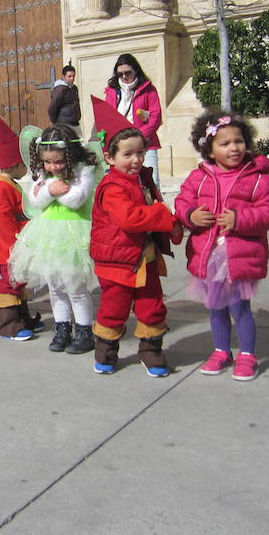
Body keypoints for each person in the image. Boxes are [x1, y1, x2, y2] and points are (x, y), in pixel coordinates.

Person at [175, 111, 269, 381]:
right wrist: (191, 216)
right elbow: (181, 202)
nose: (233, 148)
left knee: (239, 307)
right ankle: (221, 350)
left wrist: (240, 219)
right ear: (209, 150)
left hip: (240, 255)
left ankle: (248, 354)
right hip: (209, 254)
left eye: (238, 141)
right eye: (224, 144)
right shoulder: (199, 177)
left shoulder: (259, 177)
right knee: (216, 307)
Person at [88, 96, 182, 377]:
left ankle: (151, 351)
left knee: (152, 306)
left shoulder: (143, 178)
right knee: (113, 310)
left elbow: (154, 208)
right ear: (110, 157)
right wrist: (164, 215)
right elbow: (130, 218)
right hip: (117, 261)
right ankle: (105, 352)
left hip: (145, 258)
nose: (136, 160)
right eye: (127, 154)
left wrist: (172, 224)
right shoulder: (112, 186)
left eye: (140, 153)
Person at [9, 125, 100, 352]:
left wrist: (49, 190)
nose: (52, 167)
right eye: (48, 162)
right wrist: (51, 189)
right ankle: (62, 328)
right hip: (47, 234)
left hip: (74, 234)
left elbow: (76, 199)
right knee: (55, 287)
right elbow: (35, 200)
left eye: (58, 162)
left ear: (70, 156)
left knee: (76, 288)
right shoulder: (45, 174)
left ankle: (84, 331)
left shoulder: (83, 169)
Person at [0, 105, 44, 340]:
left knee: (19, 282)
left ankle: (23, 318)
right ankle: (9, 325)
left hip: (19, 242)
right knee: (10, 283)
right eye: (23, 164)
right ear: (13, 164)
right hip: (9, 247)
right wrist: (13, 249)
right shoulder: (0, 187)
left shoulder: (10, 183)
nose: (26, 168)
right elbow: (5, 220)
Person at [105, 54, 163, 186]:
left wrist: (138, 137)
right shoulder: (112, 91)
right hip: (121, 144)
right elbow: (108, 116)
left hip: (145, 143)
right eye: (120, 74)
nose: (124, 77)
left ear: (136, 70)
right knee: (123, 182)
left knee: (151, 182)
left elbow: (155, 117)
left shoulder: (148, 90)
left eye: (127, 73)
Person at [48, 64, 81, 134]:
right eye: (69, 76)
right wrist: (53, 121)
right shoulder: (59, 89)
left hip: (75, 123)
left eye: (73, 76)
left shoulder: (74, 88)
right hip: (64, 125)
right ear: (63, 77)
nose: (72, 78)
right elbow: (53, 106)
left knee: (78, 143)